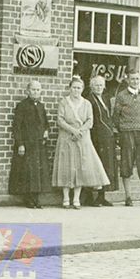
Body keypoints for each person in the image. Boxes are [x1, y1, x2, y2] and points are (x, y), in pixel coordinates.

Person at [53, 76, 110, 209]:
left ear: (83, 89)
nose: (76, 90)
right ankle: (66, 198)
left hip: (82, 137)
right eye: (74, 87)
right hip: (66, 137)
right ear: (70, 88)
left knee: (80, 166)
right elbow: (60, 120)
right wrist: (72, 130)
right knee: (66, 166)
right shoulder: (63, 102)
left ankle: (76, 198)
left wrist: (80, 131)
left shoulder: (86, 103)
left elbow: (90, 121)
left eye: (79, 88)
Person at [113, 70, 140, 207]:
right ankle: (128, 197)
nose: (135, 81)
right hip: (127, 132)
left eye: (137, 78)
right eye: (132, 79)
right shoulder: (121, 96)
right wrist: (121, 130)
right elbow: (116, 116)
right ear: (128, 80)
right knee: (126, 164)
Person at [8, 81, 51, 208]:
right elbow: (16, 127)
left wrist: (46, 131)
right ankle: (28, 199)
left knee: (38, 172)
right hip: (27, 144)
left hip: (39, 144)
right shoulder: (22, 106)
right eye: (33, 89)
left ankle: (36, 199)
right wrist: (20, 144)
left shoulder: (41, 106)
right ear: (28, 91)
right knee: (28, 172)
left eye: (38, 90)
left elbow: (45, 123)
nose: (35, 92)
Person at [83, 75, 118, 207]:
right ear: (91, 87)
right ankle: (89, 197)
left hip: (106, 137)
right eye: (96, 85)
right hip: (95, 136)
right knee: (93, 165)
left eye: (101, 85)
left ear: (104, 87)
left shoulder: (105, 98)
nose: (99, 87)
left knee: (105, 165)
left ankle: (101, 196)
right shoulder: (89, 100)